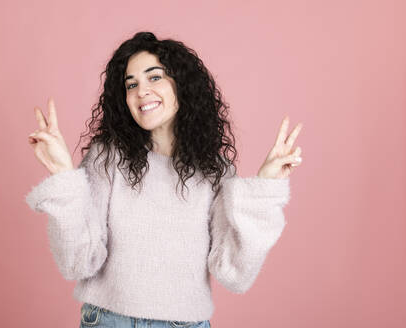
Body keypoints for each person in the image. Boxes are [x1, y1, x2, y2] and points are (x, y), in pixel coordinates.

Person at [25, 31, 303, 328]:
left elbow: (234, 273)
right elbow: (77, 262)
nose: (141, 91)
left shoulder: (214, 170)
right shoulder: (107, 157)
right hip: (108, 321)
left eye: (154, 77)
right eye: (131, 84)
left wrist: (264, 190)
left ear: (182, 86)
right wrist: (64, 177)